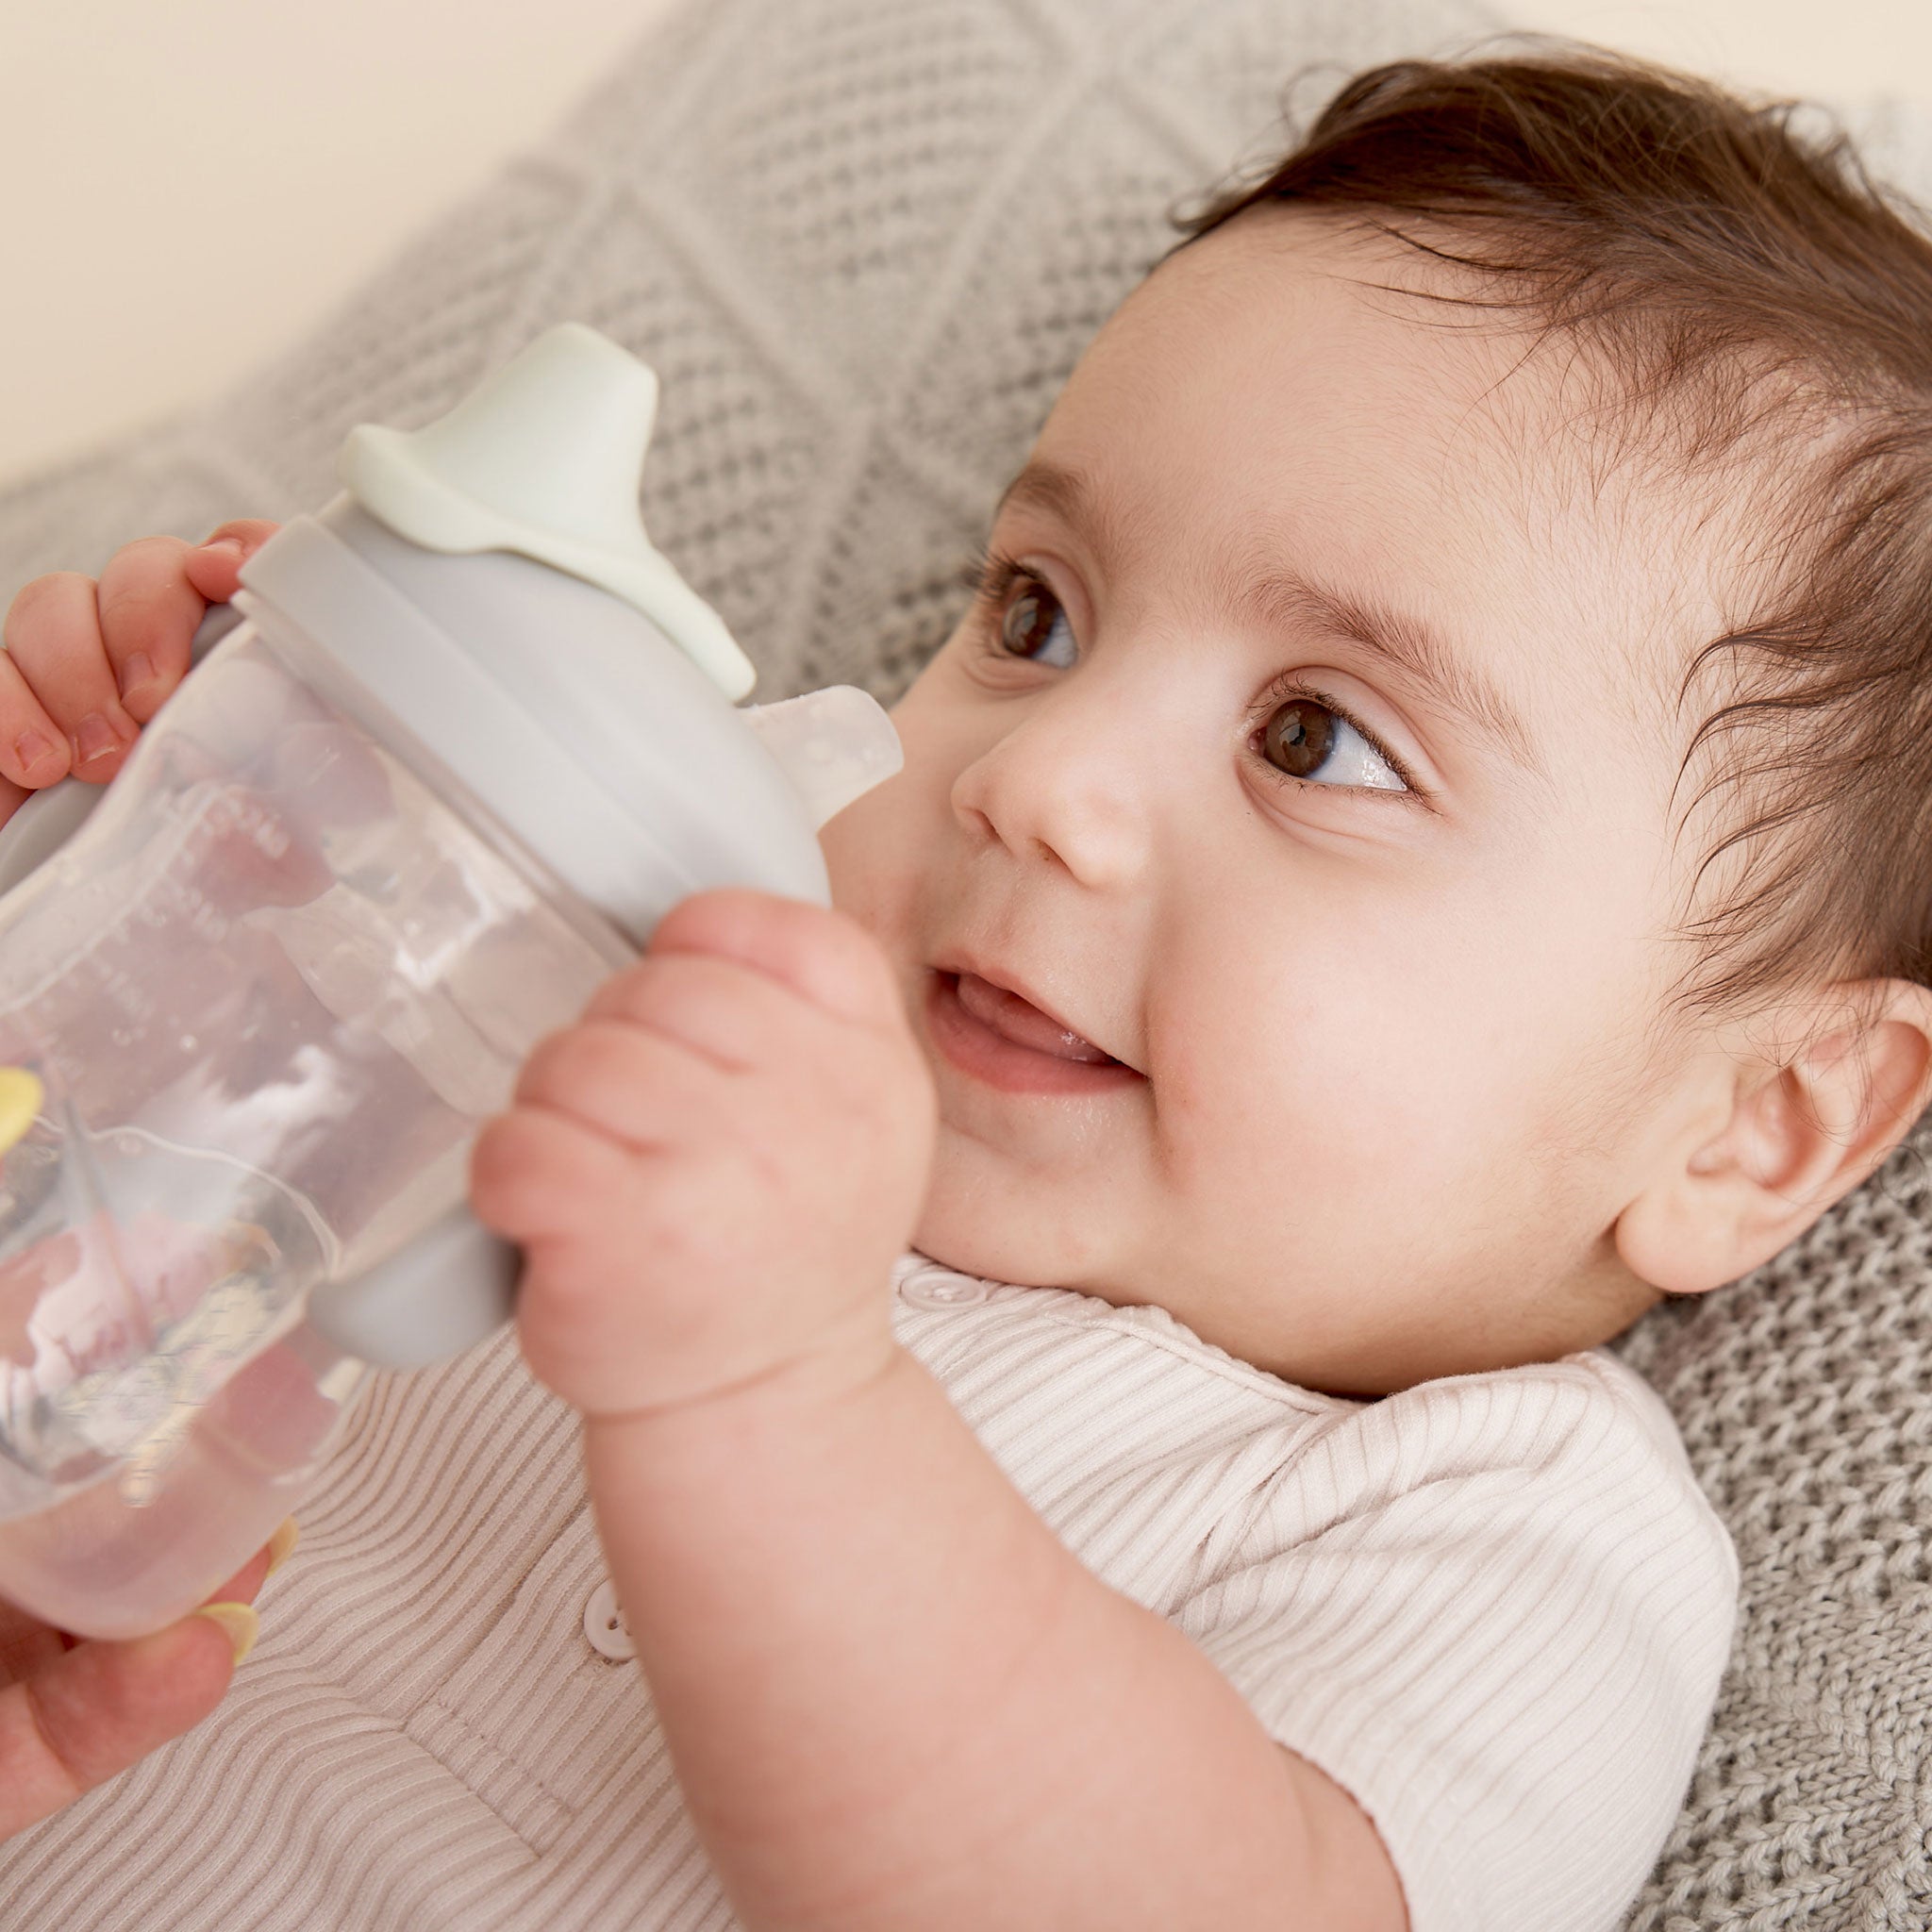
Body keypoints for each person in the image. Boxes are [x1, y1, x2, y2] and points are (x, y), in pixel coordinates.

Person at [3, 45, 1930, 1932]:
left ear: (1753, 1126)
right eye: (1036, 614)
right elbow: (116, 1235)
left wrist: (776, 1382)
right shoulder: (608, 974)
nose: (1038, 780)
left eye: (1318, 740)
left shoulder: (1499, 1524)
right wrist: (169, 859)